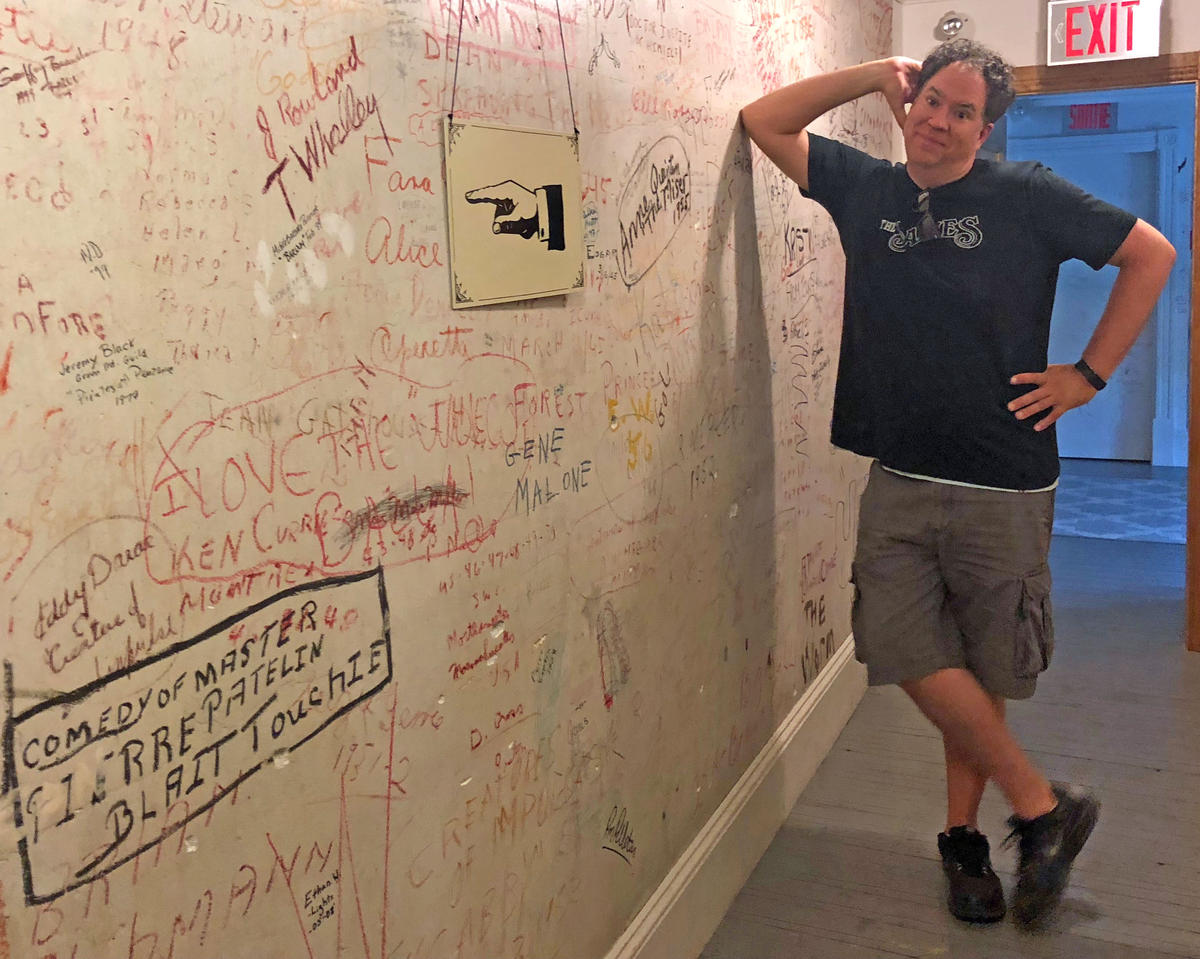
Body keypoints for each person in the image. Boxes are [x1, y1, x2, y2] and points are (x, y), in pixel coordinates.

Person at [741, 40, 1175, 927]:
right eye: (931, 100)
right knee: (897, 644)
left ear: (987, 127)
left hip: (1003, 484)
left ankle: (965, 840)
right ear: (914, 100)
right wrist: (870, 76)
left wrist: (1087, 377)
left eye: (962, 111)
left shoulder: (1028, 196)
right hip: (899, 473)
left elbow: (1153, 255)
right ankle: (1043, 805)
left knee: (984, 668)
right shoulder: (866, 189)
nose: (939, 122)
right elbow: (763, 120)